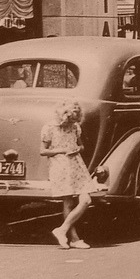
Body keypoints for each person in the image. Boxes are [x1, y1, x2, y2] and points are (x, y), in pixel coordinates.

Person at [41, 101, 97, 249]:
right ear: (64, 114)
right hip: (60, 166)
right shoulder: (49, 128)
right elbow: (43, 151)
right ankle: (74, 239)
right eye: (71, 117)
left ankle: (62, 230)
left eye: (76, 117)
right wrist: (61, 150)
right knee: (68, 202)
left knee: (86, 200)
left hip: (76, 165)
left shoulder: (75, 127)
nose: (73, 121)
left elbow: (81, 145)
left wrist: (76, 149)